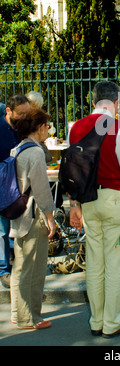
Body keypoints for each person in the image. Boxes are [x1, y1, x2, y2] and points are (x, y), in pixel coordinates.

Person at [69, 80, 120, 338]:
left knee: (94, 263)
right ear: (116, 104)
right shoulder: (119, 128)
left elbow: (74, 171)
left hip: (88, 200)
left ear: (93, 102)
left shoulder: (76, 128)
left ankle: (96, 320)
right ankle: (112, 323)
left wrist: (74, 205)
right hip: (115, 199)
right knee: (115, 265)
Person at [10, 108, 56, 329]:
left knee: (20, 266)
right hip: (33, 214)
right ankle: (30, 317)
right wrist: (50, 217)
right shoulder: (36, 153)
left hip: (18, 214)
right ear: (39, 127)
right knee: (34, 267)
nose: (48, 129)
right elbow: (41, 190)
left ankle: (17, 313)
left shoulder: (17, 149)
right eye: (47, 125)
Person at [0, 95, 31, 288]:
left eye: (26, 113)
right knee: (2, 228)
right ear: (8, 111)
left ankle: (19, 264)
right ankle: (4, 269)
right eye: (20, 113)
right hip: (3, 185)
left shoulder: (21, 126)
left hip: (19, 185)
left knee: (19, 225)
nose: (24, 117)